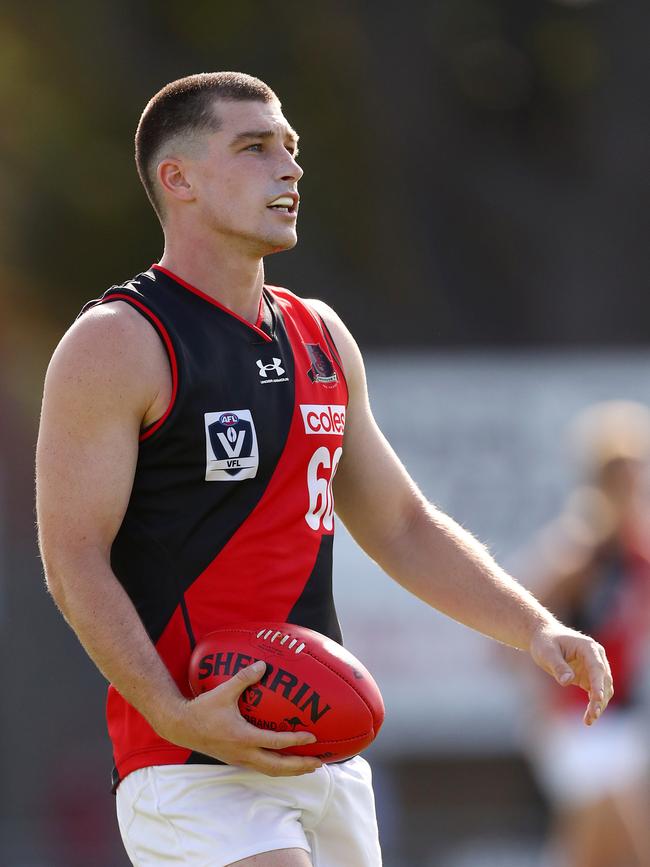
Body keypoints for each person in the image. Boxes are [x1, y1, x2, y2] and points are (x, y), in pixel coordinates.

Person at [35, 72, 613, 867]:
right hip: (193, 765)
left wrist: (535, 626)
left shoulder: (320, 335)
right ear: (180, 180)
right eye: (255, 147)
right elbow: (72, 559)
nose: (291, 167)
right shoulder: (118, 341)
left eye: (292, 148)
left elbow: (403, 524)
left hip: (322, 755)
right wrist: (173, 712)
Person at [520, 401, 650, 867]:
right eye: (620, 479)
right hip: (578, 722)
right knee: (613, 845)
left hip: (622, 719)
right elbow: (519, 623)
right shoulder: (578, 553)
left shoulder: (638, 553)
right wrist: (540, 696)